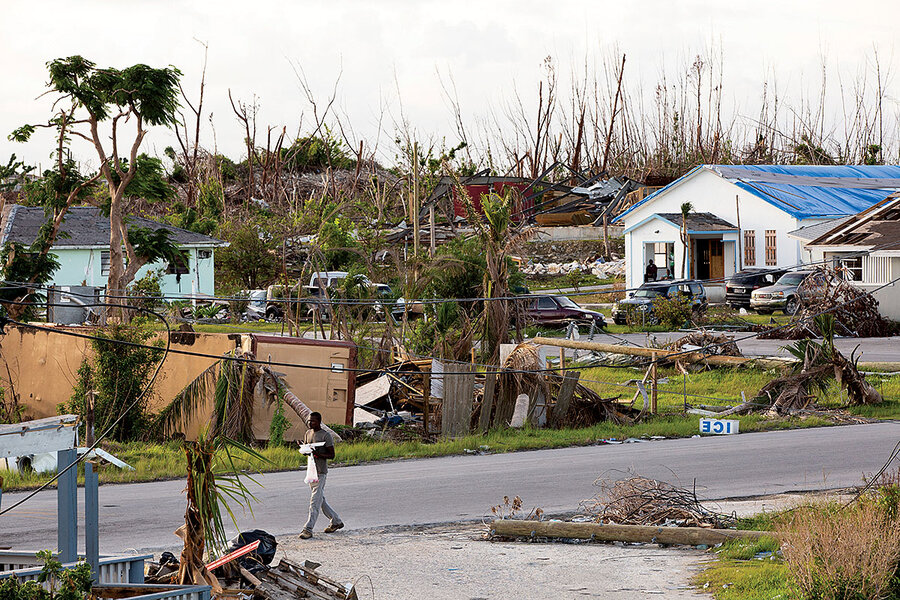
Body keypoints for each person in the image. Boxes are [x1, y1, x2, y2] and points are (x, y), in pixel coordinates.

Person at [299, 412, 343, 539]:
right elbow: (308, 451)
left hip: (321, 472)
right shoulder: (308, 434)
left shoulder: (325, 435)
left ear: (319, 422)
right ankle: (336, 521)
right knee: (320, 500)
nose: (310, 423)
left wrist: (319, 455)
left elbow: (331, 455)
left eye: (313, 421)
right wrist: (303, 449)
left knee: (314, 501)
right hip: (311, 471)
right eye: (309, 421)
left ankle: (308, 529)